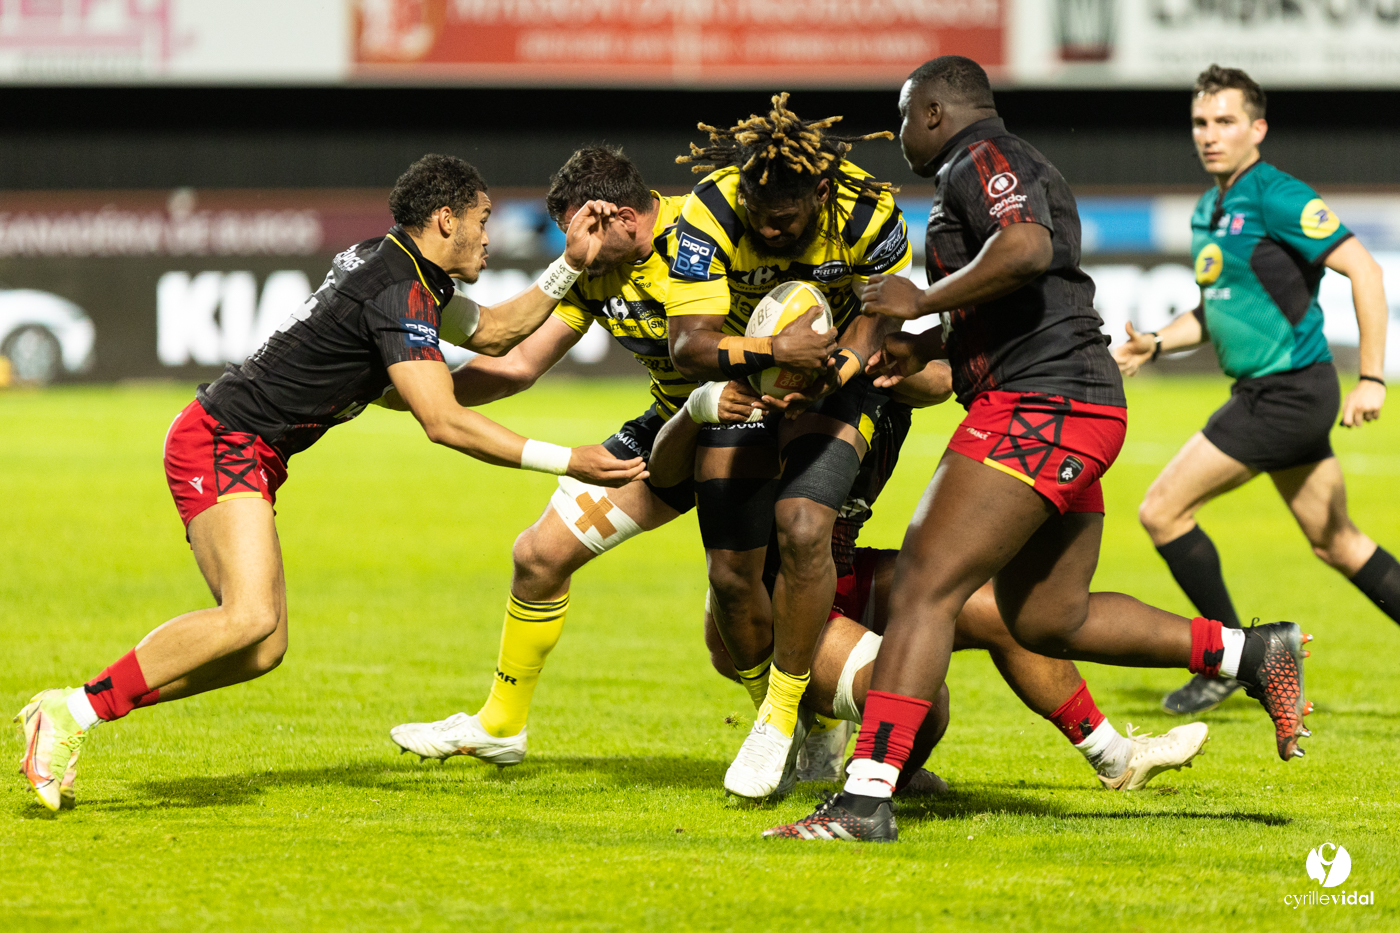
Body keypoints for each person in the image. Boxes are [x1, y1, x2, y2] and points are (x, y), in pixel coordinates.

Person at [768, 57, 1311, 843]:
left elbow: (1025, 248)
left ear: (932, 113)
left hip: (1042, 401)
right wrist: (925, 338)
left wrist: (921, 298)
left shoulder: (982, 159)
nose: (896, 134)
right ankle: (1248, 651)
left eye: (902, 115)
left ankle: (865, 798)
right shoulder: (991, 166)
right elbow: (1022, 288)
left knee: (925, 581)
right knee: (1047, 616)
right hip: (1069, 400)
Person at [14, 154, 644, 812]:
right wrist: (571, 459)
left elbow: (497, 333)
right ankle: (74, 711)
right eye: (482, 220)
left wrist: (571, 264)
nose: (489, 236)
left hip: (248, 448)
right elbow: (443, 421)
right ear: (445, 218)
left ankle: (78, 706)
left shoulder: (400, 267)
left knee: (263, 650)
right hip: (223, 440)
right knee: (249, 615)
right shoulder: (397, 289)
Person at [387, 146, 724, 765]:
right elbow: (517, 364)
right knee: (538, 555)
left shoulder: (709, 231)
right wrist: (412, 394)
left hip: (748, 424)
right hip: (669, 427)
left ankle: (809, 732)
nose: (579, 248)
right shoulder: (595, 266)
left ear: (616, 215)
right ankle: (501, 726)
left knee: (739, 621)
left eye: (583, 232)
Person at [1113, 65, 1396, 715]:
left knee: (1161, 509)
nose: (1210, 135)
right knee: (1338, 542)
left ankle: (1233, 660)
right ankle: (1239, 658)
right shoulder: (1209, 208)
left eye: (1226, 122)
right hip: (1274, 394)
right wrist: (1155, 342)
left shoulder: (1276, 194)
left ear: (1257, 129)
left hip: (1287, 394)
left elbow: (1365, 269)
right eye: (1201, 123)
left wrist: (1373, 377)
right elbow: (1220, 310)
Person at [665, 93, 915, 800]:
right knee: (731, 577)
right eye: (757, 205)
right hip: (743, 378)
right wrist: (776, 351)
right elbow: (688, 344)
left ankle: (778, 716)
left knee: (803, 526)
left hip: (839, 382)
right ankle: (799, 721)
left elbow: (879, 312)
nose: (768, 222)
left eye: (786, 213)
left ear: (823, 190)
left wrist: (831, 370)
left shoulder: (868, 212)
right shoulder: (709, 210)